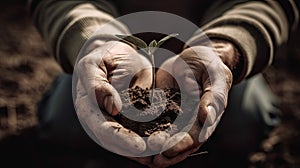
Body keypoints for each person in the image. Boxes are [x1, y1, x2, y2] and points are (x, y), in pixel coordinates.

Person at [28, 0, 299, 167]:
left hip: (211, 47)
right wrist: (96, 42)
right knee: (64, 126)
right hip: (109, 55)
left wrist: (224, 48)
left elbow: (270, 2)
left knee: (245, 125)